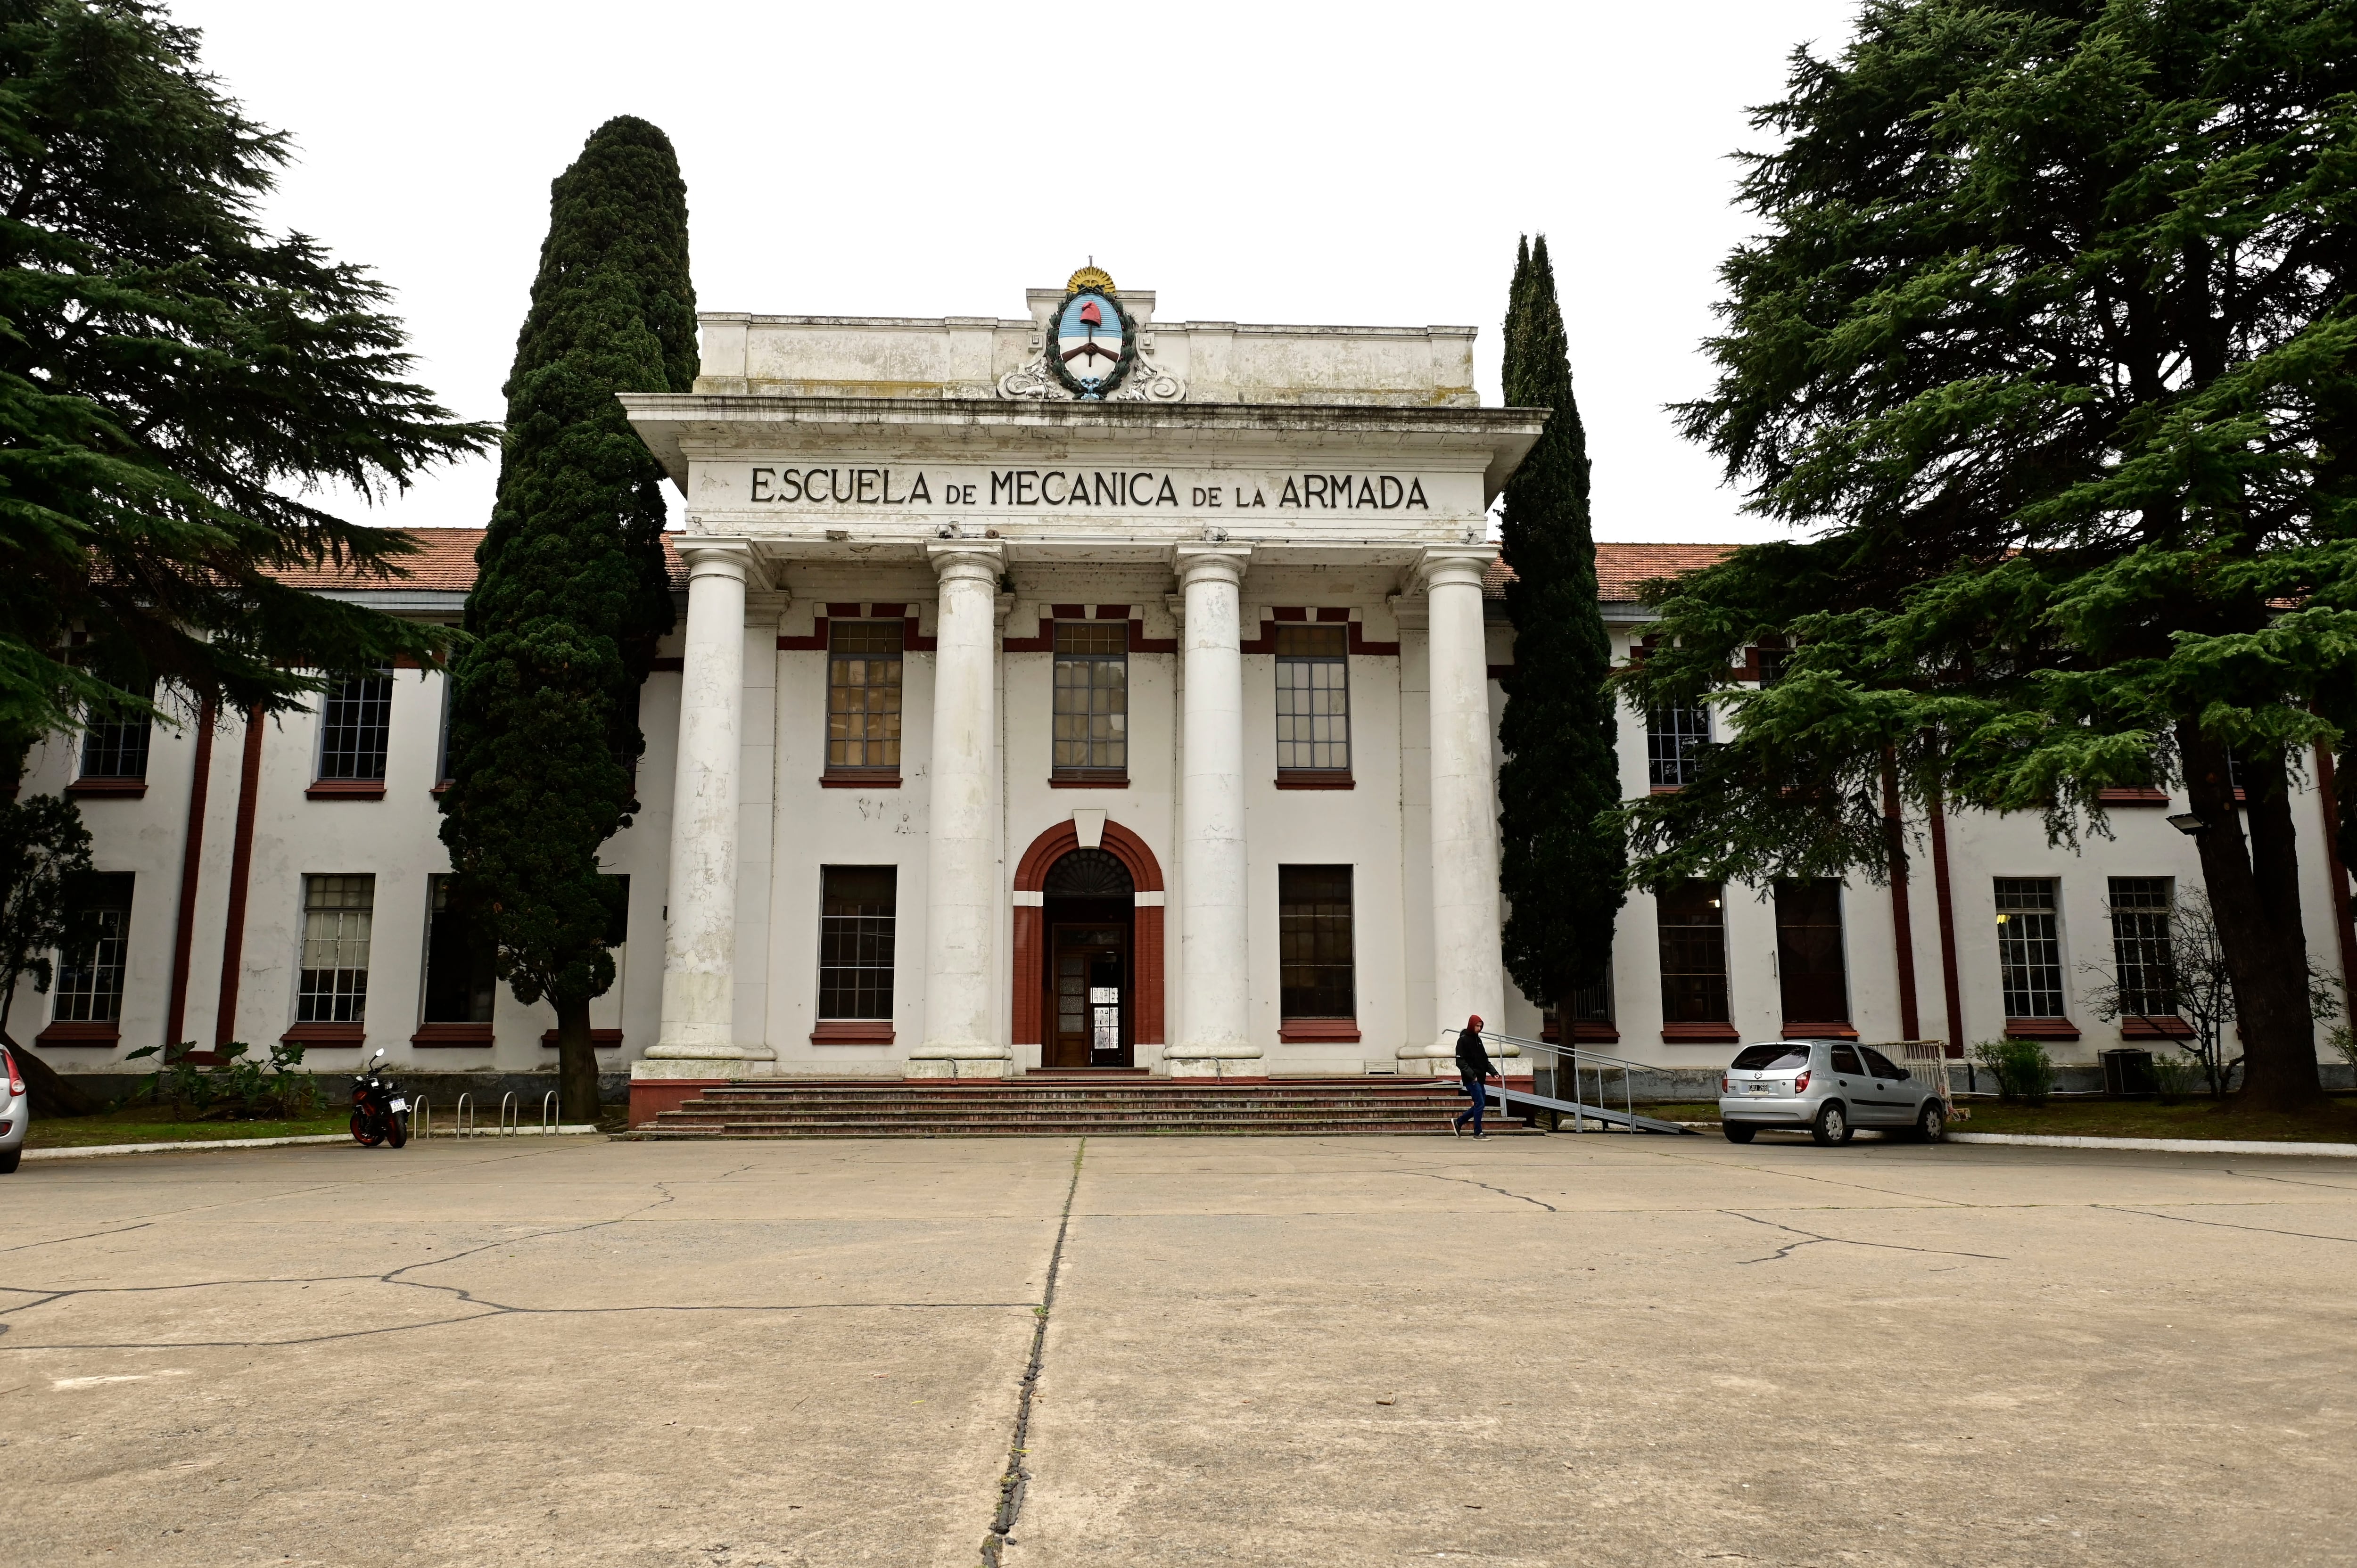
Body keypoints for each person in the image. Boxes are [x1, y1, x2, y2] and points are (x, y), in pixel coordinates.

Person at [1452, 1014, 1496, 1138]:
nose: (1479, 1029)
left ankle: (1459, 1122)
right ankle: (1478, 1132)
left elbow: (1484, 1059)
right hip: (1471, 1079)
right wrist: (1472, 1076)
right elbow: (1460, 1062)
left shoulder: (1478, 1040)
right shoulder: (1463, 1040)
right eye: (1477, 1026)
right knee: (1480, 1103)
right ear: (1472, 1025)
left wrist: (1494, 1072)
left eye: (1481, 1026)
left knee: (1480, 1104)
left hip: (1480, 1078)